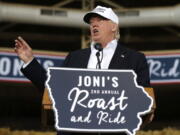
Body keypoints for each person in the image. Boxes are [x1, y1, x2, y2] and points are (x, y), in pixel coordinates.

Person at [15, 5, 154, 135]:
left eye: (100, 20)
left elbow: (145, 99)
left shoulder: (135, 59)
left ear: (114, 26)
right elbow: (52, 91)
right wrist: (30, 61)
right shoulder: (74, 57)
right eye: (91, 22)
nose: (94, 24)